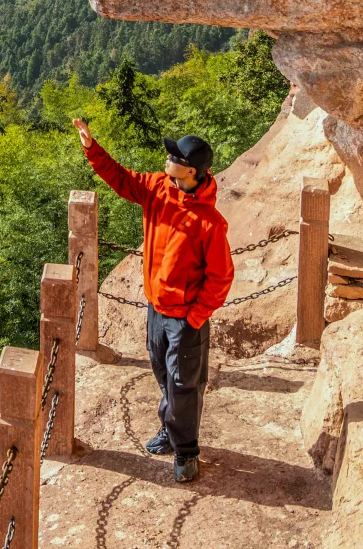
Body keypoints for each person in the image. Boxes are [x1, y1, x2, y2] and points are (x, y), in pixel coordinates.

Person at [72, 118, 233, 483]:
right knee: (163, 373)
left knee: (183, 384)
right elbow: (121, 179)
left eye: (174, 156)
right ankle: (170, 429)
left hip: (185, 318)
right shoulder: (158, 188)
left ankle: (186, 452)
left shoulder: (210, 222)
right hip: (156, 309)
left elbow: (221, 278)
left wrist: (195, 317)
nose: (167, 158)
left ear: (190, 171)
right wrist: (91, 147)